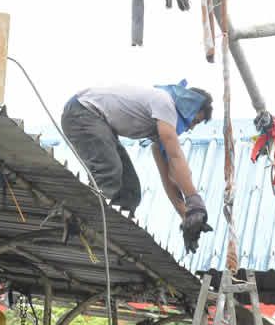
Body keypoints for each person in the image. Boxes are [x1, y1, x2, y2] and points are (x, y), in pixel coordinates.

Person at [60, 83, 214, 248]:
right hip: (82, 112)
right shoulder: (165, 103)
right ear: (187, 107)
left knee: (130, 191)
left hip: (98, 122)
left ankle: (111, 238)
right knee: (109, 174)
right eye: (194, 121)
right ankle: (77, 216)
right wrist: (195, 202)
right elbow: (176, 156)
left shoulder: (159, 126)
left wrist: (186, 217)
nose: (190, 127)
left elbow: (169, 176)